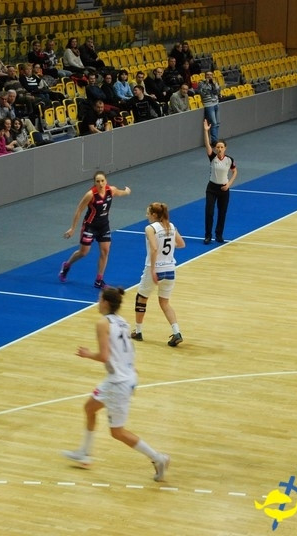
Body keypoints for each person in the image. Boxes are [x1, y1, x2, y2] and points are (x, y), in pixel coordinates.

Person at [61, 286, 170, 482]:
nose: (97, 301)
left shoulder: (103, 323)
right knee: (89, 408)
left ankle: (158, 458)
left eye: (99, 298)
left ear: (106, 303)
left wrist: (87, 355)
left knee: (117, 432)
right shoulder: (123, 322)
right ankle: (84, 453)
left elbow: (104, 356)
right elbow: (127, 350)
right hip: (122, 377)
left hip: (118, 382)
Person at [59, 171, 131, 289]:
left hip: (104, 226)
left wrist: (126, 191)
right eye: (98, 181)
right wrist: (73, 228)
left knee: (105, 251)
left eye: (102, 180)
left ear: (106, 181)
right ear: (94, 183)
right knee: (83, 252)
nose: (100, 183)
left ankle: (99, 280)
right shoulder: (90, 195)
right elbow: (79, 210)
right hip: (90, 226)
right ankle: (66, 265)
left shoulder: (110, 190)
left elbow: (120, 192)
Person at [130, 202, 185, 347]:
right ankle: (176, 332)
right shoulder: (171, 226)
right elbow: (181, 244)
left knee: (141, 298)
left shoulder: (150, 228)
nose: (146, 215)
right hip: (170, 269)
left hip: (155, 269)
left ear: (154, 215)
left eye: (148, 213)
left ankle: (138, 331)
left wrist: (153, 269)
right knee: (165, 303)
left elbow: (154, 249)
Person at [202, 118, 236, 244]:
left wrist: (229, 184)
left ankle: (219, 235)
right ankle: (208, 235)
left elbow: (235, 171)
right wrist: (206, 131)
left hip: (224, 189)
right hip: (212, 188)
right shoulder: (212, 157)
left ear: (225, 148)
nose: (219, 149)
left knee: (222, 213)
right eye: (218, 147)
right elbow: (207, 144)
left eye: (222, 147)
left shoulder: (229, 160)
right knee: (209, 212)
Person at [198, 70, 221, 141]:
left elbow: (218, 92)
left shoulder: (214, 82)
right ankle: (214, 141)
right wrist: (206, 84)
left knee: (217, 122)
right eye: (208, 75)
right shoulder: (201, 83)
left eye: (211, 75)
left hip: (216, 103)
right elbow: (202, 93)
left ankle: (216, 139)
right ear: (205, 76)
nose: (209, 76)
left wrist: (214, 85)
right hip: (209, 105)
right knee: (213, 123)